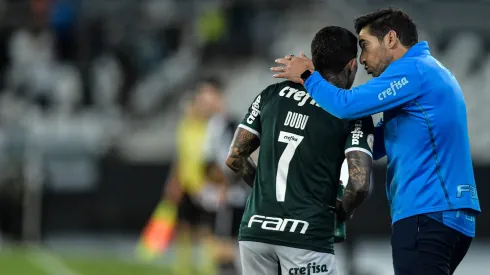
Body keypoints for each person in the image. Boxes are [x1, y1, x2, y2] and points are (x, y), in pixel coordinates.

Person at [271, 8, 481, 275]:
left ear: (391, 39)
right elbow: (378, 144)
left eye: (365, 45)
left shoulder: (412, 70)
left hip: (428, 213)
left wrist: (308, 77)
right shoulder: (429, 71)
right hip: (448, 215)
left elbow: (347, 105)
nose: (361, 58)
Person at [225, 26, 374, 275]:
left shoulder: (271, 94)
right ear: (352, 65)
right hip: (307, 233)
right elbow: (359, 184)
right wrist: (340, 213)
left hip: (255, 230)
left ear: (312, 60)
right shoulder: (350, 111)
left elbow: (235, 157)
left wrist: (265, 187)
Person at [163, 77, 224, 275]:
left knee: (207, 231)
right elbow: (181, 156)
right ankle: (183, 268)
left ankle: (208, 269)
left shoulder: (213, 128)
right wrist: (174, 181)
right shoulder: (186, 127)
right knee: (184, 228)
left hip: (205, 186)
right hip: (187, 185)